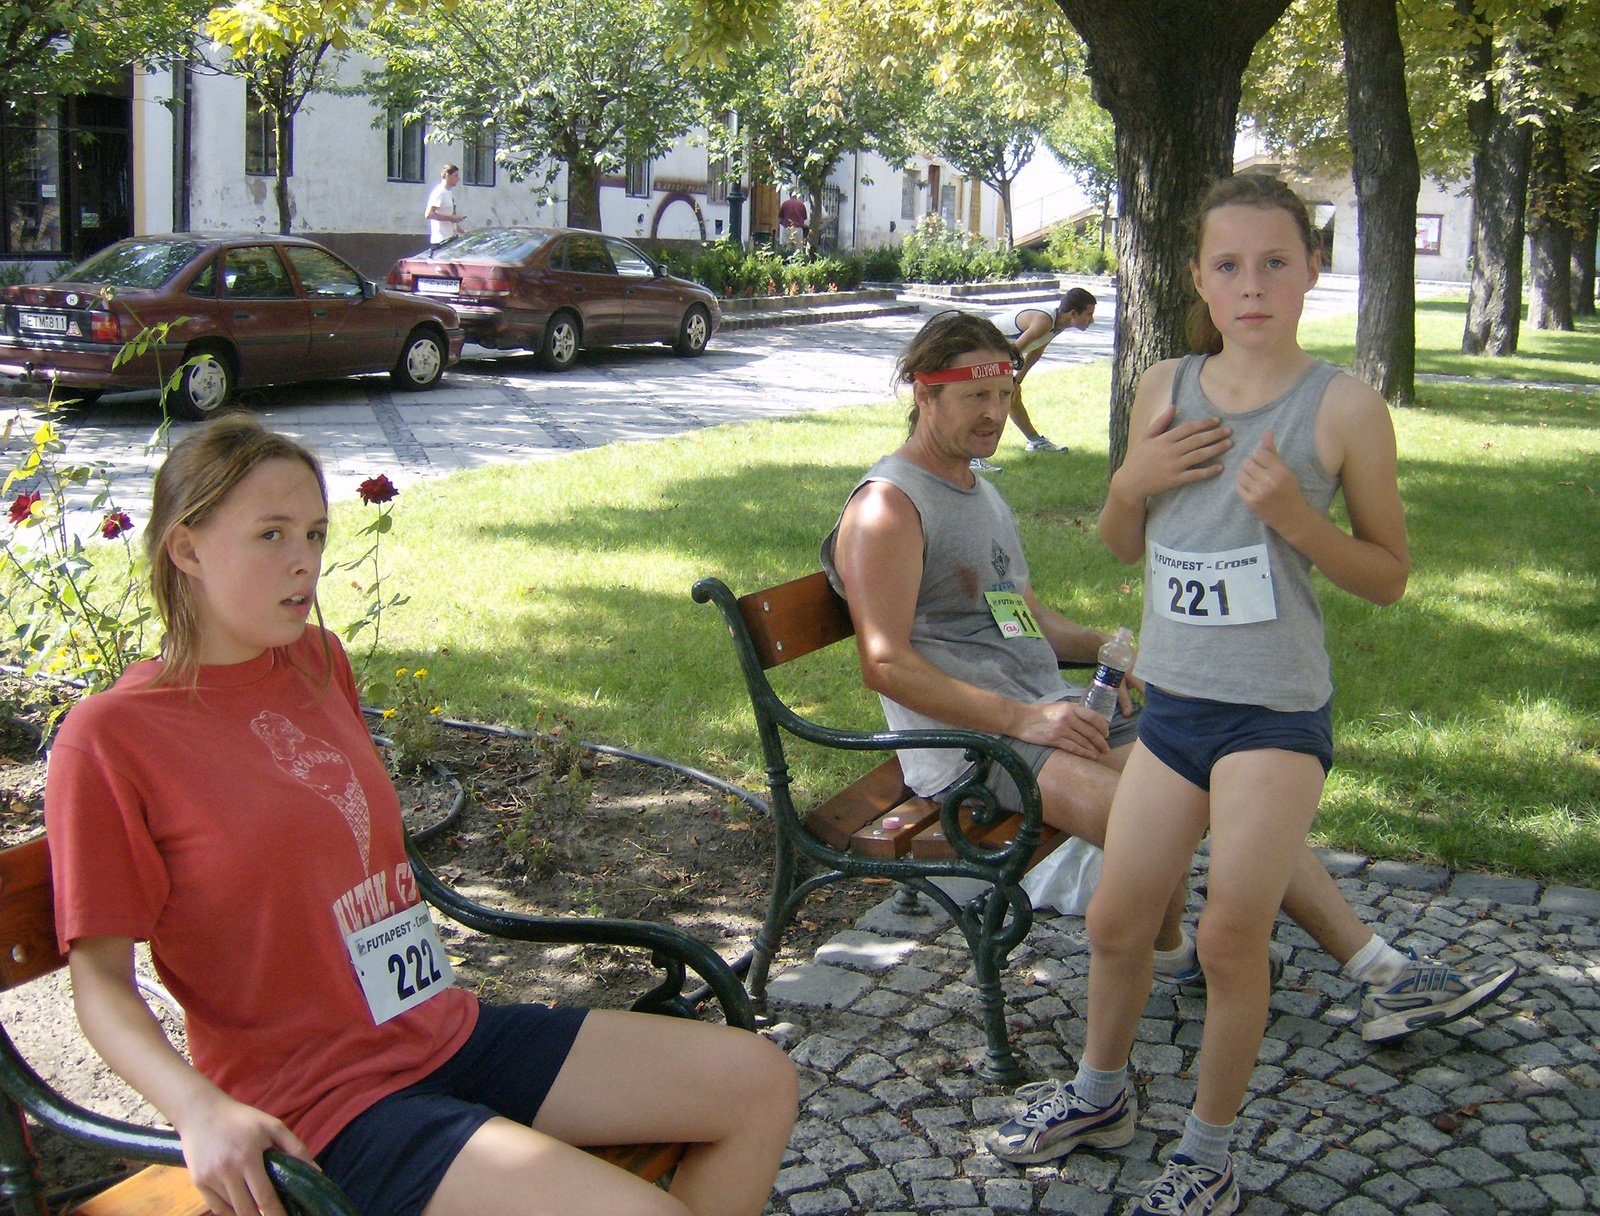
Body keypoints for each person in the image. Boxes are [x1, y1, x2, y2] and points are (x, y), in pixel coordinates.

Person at [823, 311, 1517, 1190]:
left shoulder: (975, 486)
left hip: (1051, 710)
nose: (995, 414)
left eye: (1005, 395)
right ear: (925, 393)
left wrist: (1118, 649)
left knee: (1225, 792)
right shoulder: (891, 504)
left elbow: (1020, 619)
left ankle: (1365, 968)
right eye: (974, 398)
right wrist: (1021, 717)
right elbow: (885, 663)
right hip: (968, 745)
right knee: (1177, 826)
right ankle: (1221, 962)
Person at [46, 417, 797, 1216]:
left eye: (313, 532)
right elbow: (100, 985)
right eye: (269, 535)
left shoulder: (314, 661)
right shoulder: (113, 738)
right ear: (186, 550)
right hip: (321, 1107)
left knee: (758, 1082)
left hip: (440, 1032)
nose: (304, 560)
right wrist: (197, 1108)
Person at [989, 175, 1513, 1216]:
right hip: (1173, 708)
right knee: (1116, 919)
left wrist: (1296, 519)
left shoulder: (1342, 407)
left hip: (1273, 712)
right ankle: (1101, 1097)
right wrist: (1130, 481)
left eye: (1275, 261)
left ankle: (1210, 1149)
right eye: (1227, 265)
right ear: (1196, 279)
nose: (1252, 285)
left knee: (1229, 934)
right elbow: (1121, 542)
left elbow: (1387, 573)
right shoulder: (1164, 385)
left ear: (1313, 267)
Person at [971, 288, 1097, 473]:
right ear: (1072, 313)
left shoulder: (1058, 325)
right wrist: (1006, 380)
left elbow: (1036, 349)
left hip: (995, 352)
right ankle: (973, 457)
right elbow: (1012, 352)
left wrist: (1018, 380)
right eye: (1089, 314)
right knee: (989, 402)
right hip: (979, 346)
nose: (1091, 320)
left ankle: (1035, 441)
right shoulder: (1044, 321)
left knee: (1011, 396)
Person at [425, 164, 466, 248]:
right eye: (456, 176)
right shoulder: (439, 192)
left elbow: (449, 221)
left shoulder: (448, 193)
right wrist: (452, 218)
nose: (458, 179)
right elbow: (429, 214)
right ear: (447, 176)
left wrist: (464, 232)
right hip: (440, 242)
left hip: (450, 240)